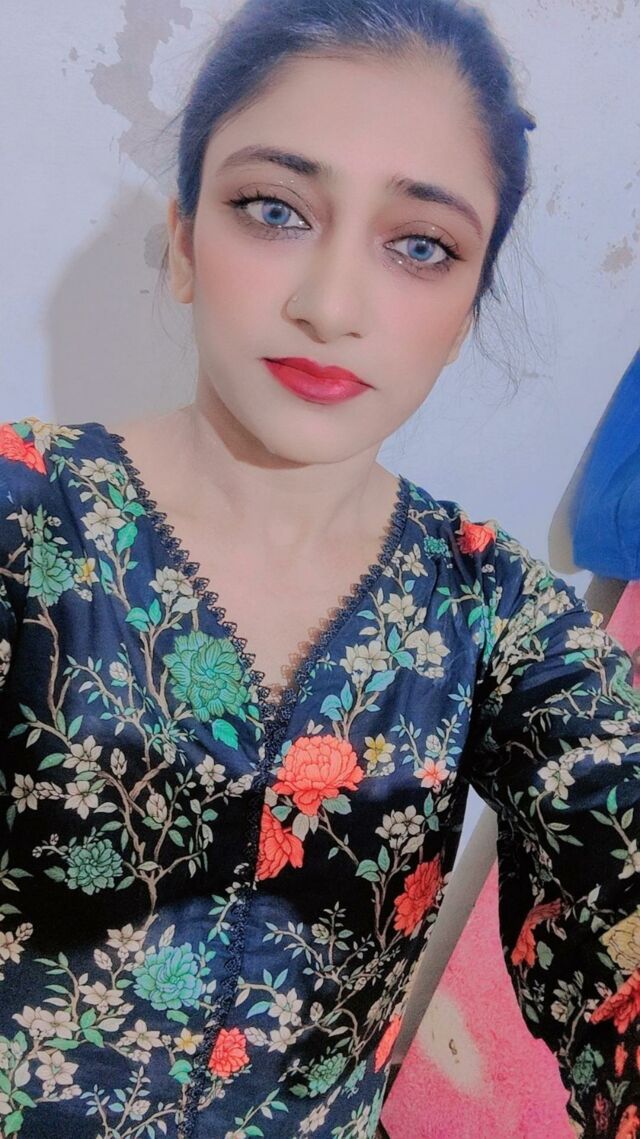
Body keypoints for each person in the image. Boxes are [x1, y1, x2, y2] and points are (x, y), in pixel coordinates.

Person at [0, 0, 638, 1136]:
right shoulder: (22, 515)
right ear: (185, 240)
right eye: (274, 210)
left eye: (421, 245)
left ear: (464, 312)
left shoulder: (497, 619)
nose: (331, 306)